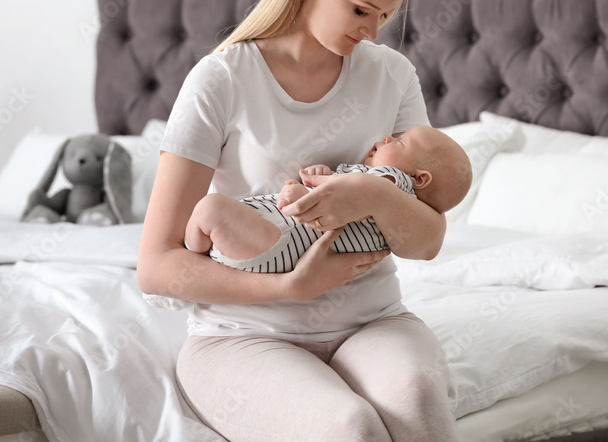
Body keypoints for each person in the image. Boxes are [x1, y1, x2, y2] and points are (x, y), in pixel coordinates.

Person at [136, 0, 477, 442]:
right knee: (353, 430)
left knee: (418, 401)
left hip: (371, 322)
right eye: (361, 9)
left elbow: (426, 241)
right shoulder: (221, 80)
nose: (371, 31)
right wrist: (291, 286)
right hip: (242, 337)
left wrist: (372, 197)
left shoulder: (392, 75)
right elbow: (157, 265)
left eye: (385, 17)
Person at [143, 126, 472, 310]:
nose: (387, 137)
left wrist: (304, 191)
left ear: (420, 178)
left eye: (399, 141)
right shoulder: (394, 208)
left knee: (210, 209)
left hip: (282, 242)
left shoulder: (392, 181)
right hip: (283, 252)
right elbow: (344, 203)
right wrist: (323, 176)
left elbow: (331, 201)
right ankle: (205, 264)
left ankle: (198, 259)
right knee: (215, 215)